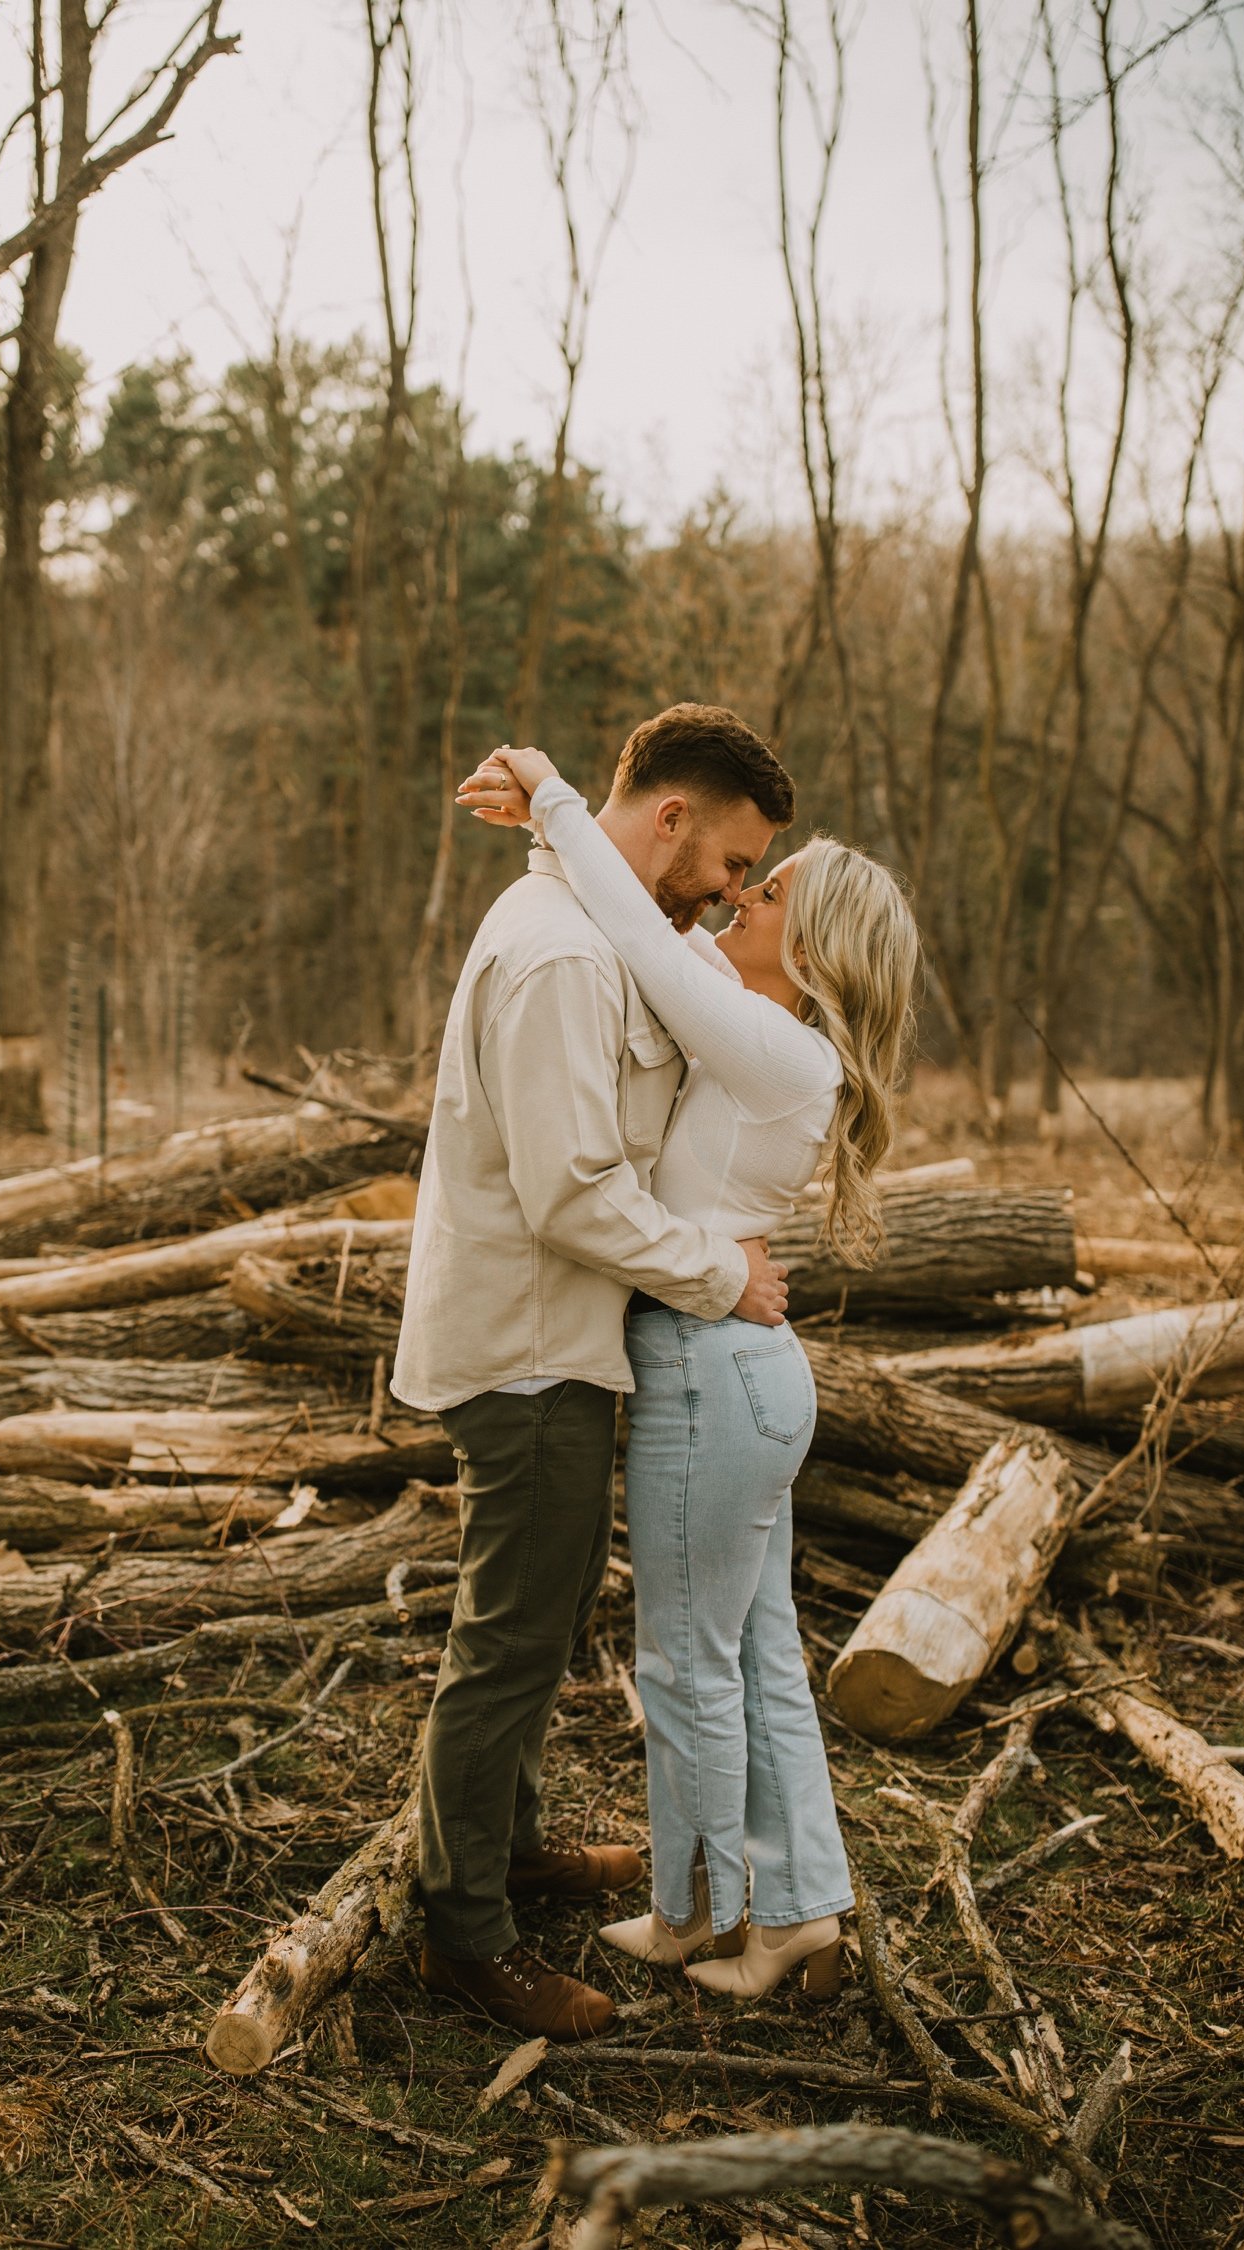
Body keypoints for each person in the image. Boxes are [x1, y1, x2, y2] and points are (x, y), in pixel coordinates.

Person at [457, 737, 919, 2002]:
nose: (733, 901)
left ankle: (699, 1917)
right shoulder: (753, 1029)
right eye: (741, 877)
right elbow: (645, 919)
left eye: (763, 895)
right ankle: (805, 1914)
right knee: (757, 1656)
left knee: (686, 1662)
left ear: (811, 953)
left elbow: (649, 945)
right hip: (733, 1366)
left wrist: (553, 797)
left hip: (717, 1373)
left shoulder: (779, 1048)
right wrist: (556, 835)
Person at [392, 703, 798, 2043]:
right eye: (733, 861)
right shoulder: (563, 954)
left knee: (540, 1617)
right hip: (521, 1347)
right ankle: (466, 1934)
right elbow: (572, 1193)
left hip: (556, 1343)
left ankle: (508, 1849)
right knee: (509, 1637)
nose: (733, 892)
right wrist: (720, 1272)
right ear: (671, 815)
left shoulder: (603, 934)